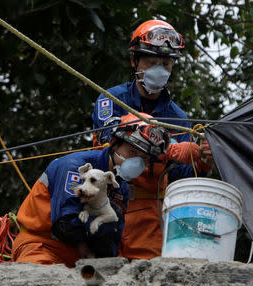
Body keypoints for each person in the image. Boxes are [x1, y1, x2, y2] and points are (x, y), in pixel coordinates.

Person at [91, 20, 214, 260]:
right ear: (134, 61)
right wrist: (166, 145)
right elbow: (108, 136)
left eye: (165, 63)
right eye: (151, 62)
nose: (159, 69)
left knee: (145, 280)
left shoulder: (177, 118)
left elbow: (181, 178)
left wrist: (202, 161)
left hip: (148, 215)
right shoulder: (111, 99)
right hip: (103, 202)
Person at [12, 114, 170, 267]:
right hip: (42, 247)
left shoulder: (121, 188)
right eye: (132, 152)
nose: (136, 162)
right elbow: (66, 226)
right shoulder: (75, 168)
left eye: (144, 158)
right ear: (114, 143)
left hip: (81, 260)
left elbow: (113, 241)